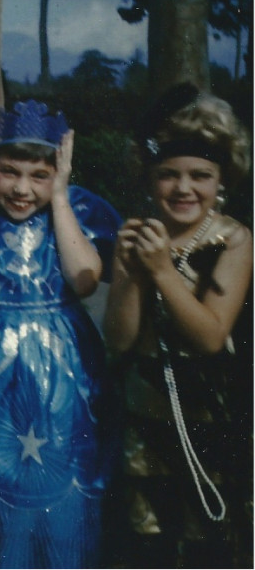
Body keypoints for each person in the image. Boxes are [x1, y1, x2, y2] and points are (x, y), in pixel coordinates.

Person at [0, 100, 121, 567]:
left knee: (68, 498)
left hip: (67, 375)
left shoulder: (75, 207)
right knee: (0, 504)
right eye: (9, 172)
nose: (21, 188)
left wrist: (59, 197)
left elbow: (84, 279)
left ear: (58, 172)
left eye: (39, 175)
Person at [103, 84, 253, 568]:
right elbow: (120, 338)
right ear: (150, 180)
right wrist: (130, 274)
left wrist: (164, 271)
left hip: (211, 412)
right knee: (147, 536)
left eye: (200, 175)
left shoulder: (233, 239)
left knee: (204, 536)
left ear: (221, 179)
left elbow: (210, 336)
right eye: (168, 175)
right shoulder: (139, 235)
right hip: (147, 412)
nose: (183, 188)